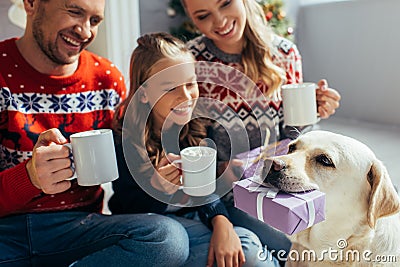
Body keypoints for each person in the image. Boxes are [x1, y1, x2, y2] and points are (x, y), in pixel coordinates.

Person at [0, 1, 188, 266]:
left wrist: (157, 185)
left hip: (80, 229)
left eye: (95, 21)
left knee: (167, 238)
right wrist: (29, 176)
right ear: (31, 3)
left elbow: (125, 190)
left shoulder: (107, 79)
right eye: (74, 11)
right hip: (6, 232)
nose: (85, 31)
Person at [180, 0, 342, 264]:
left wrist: (312, 110)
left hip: (284, 182)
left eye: (226, 3)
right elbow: (192, 154)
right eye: (203, 15)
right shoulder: (192, 61)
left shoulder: (284, 53)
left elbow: (292, 137)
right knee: (295, 246)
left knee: (340, 227)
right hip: (230, 194)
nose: (219, 21)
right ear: (190, 17)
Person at [109, 32, 280, 267]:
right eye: (171, 88)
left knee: (268, 231)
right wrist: (157, 189)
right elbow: (126, 209)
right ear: (144, 93)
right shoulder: (124, 140)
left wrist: (221, 220)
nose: (187, 97)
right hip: (158, 230)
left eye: (190, 83)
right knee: (248, 247)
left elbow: (205, 190)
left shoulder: (197, 126)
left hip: (197, 213)